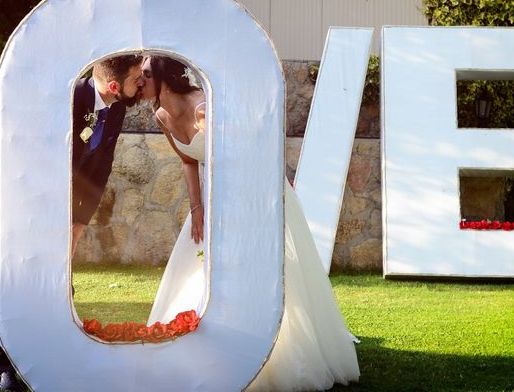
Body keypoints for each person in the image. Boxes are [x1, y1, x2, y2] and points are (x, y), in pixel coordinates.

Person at [138, 55, 360, 391]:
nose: (139, 82)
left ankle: (274, 346)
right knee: (199, 267)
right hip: (212, 198)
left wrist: (246, 208)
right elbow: (187, 160)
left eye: (145, 75)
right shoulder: (160, 114)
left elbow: (248, 152)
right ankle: (206, 345)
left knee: (260, 267)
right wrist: (197, 208)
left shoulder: (203, 108)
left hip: (251, 190)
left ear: (164, 78)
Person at [0, 54, 145, 392]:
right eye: (136, 78)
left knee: (57, 281)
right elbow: (32, 152)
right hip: (20, 191)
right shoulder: (68, 95)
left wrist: (78, 224)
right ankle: (6, 369)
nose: (141, 83)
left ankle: (44, 357)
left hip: (62, 200)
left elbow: (100, 170)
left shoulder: (116, 109)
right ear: (115, 85)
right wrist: (48, 218)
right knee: (21, 278)